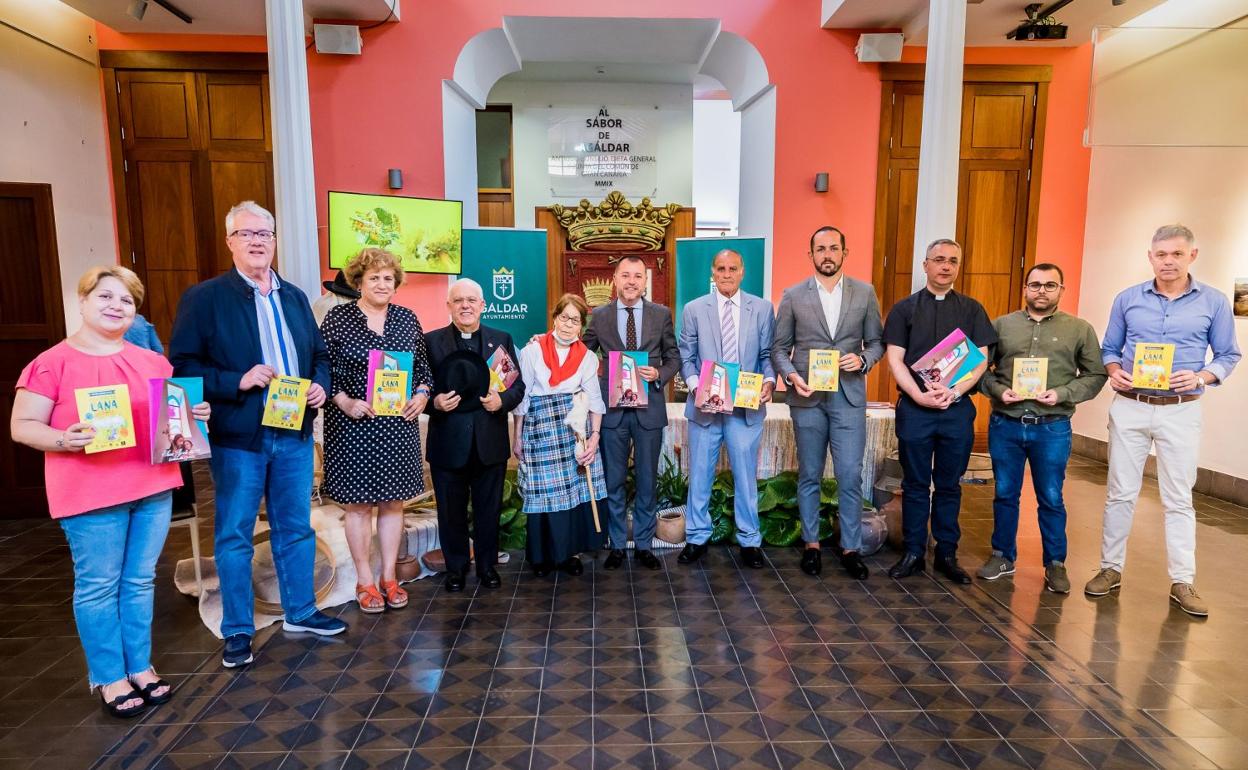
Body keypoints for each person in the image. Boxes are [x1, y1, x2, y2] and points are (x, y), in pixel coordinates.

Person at [11, 266, 209, 718]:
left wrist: (194, 414)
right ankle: (109, 675)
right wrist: (64, 439)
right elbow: (21, 426)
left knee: (140, 580)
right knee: (98, 585)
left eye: (126, 301)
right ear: (82, 301)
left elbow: (169, 423)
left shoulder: (154, 363)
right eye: (105, 296)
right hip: (90, 491)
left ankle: (139, 665)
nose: (116, 306)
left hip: (153, 486)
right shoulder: (52, 362)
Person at [169, 200, 345, 670]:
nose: (257, 241)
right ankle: (238, 629)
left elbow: (321, 356)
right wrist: (236, 381)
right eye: (246, 234)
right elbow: (182, 367)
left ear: (274, 240)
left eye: (264, 233)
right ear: (230, 241)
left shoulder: (293, 296)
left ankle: (302, 612)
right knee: (235, 535)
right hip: (239, 436)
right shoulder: (204, 298)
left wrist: (321, 388)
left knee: (295, 526)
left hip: (293, 433)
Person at [1086, 224, 1240, 616]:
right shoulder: (1128, 299)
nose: (1168, 261)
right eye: (1161, 254)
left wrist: (1202, 375)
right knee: (1120, 492)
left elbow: (1228, 355)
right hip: (1131, 404)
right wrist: (1113, 368)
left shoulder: (1215, 302)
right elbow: (1109, 348)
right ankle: (1110, 568)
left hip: (1181, 408)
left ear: (1192, 255)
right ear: (1150, 257)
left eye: (1176, 254)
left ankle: (1183, 581)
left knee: (1178, 497)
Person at [977, 263, 1107, 593]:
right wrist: (997, 390)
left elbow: (1096, 376)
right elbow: (979, 370)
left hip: (1052, 428)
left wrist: (1062, 393)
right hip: (1006, 424)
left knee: (1051, 496)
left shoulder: (1079, 329)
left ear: (1061, 290)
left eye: (1050, 285)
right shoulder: (1001, 326)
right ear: (1025, 288)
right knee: (1005, 494)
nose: (1042, 291)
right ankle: (1003, 555)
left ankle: (1055, 563)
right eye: (1035, 285)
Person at [321, 248, 433, 612]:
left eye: (388, 278)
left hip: (397, 425)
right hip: (354, 424)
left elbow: (423, 370)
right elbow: (323, 371)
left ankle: (389, 577)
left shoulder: (407, 319)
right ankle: (364, 580)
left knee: (392, 504)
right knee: (358, 507)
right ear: (359, 282)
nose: (382, 284)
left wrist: (421, 394)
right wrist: (344, 402)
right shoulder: (338, 319)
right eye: (374, 278)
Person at [771, 227, 884, 579]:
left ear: (844, 252)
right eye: (820, 249)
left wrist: (863, 360)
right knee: (810, 474)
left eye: (834, 248)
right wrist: (791, 377)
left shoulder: (864, 293)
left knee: (850, 475)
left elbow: (877, 342)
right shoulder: (792, 295)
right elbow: (778, 348)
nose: (827, 254)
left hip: (848, 396)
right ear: (811, 255)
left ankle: (850, 548)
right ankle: (812, 545)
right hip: (808, 397)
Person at [883, 238, 996, 584]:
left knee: (949, 485)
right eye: (939, 260)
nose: (946, 266)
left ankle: (947, 551)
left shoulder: (973, 310)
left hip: (955, 409)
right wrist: (918, 395)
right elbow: (894, 359)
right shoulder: (904, 309)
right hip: (915, 411)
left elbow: (981, 359)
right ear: (925, 265)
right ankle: (914, 550)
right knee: (915, 484)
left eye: (952, 261)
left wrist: (955, 391)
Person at [677, 250, 776, 568]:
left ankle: (749, 541)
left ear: (742, 271)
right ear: (713, 272)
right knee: (701, 474)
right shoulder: (694, 309)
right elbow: (686, 356)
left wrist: (769, 382)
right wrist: (696, 386)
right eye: (721, 268)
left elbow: (766, 354)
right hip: (705, 408)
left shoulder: (761, 308)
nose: (727, 274)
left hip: (745, 409)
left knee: (746, 476)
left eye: (733, 268)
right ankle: (697, 537)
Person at [582, 255, 681, 571]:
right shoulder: (599, 316)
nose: (632, 282)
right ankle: (615, 544)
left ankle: (643, 544)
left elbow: (674, 357)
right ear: (614, 278)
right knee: (614, 480)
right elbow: (580, 353)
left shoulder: (661, 314)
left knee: (647, 480)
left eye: (638, 276)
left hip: (649, 407)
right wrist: (548, 343)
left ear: (645, 281)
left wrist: (660, 374)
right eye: (626, 275)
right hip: (612, 411)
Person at [425, 279, 525, 592]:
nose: (465, 306)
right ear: (449, 306)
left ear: (483, 305)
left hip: (488, 442)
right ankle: (456, 570)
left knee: (488, 510)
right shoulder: (430, 342)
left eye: (472, 300)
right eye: (458, 301)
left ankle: (486, 567)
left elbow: (517, 387)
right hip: (448, 442)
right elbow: (418, 388)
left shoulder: (501, 339)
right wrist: (434, 403)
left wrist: (502, 401)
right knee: (450, 511)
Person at [511, 294, 607, 577]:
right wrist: (517, 437)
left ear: (581, 326)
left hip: (573, 427)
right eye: (563, 317)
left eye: (574, 320)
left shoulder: (588, 357)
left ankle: (570, 554)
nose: (568, 325)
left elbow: (595, 400)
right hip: (540, 426)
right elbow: (523, 398)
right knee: (542, 494)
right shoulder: (532, 351)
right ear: (554, 318)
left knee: (573, 494)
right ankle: (542, 556)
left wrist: (595, 436)